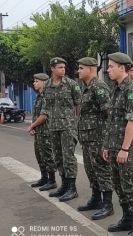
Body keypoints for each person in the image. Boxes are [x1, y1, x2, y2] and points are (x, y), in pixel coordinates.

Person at [103, 52, 133, 236]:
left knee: (132, 187)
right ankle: (127, 219)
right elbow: (112, 120)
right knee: (119, 186)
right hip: (114, 147)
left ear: (122, 68)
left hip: (127, 149)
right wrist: (107, 145)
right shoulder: (116, 89)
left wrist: (125, 148)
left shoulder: (131, 90)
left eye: (111, 66)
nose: (108, 69)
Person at [76, 57, 113, 220]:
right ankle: (96, 198)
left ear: (91, 69)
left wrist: (107, 137)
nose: (78, 71)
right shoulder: (86, 88)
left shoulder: (99, 87)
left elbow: (109, 113)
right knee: (91, 170)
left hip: (98, 137)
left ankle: (108, 204)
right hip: (87, 138)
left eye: (81, 68)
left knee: (102, 170)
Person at [42, 57, 81, 202]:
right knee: (58, 157)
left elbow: (78, 105)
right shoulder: (47, 85)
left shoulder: (71, 84)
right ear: (52, 68)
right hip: (53, 126)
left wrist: (75, 123)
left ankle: (72, 188)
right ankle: (64, 185)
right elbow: (47, 106)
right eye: (59, 67)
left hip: (68, 127)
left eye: (64, 67)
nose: (63, 70)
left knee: (68, 157)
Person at [27, 73, 57, 191]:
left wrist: (32, 126)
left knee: (48, 156)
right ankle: (44, 178)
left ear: (44, 82)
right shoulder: (38, 97)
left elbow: (44, 116)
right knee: (39, 155)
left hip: (46, 132)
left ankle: (52, 180)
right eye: (34, 81)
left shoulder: (46, 96)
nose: (34, 83)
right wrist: (33, 127)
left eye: (37, 81)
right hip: (39, 131)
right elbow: (36, 115)